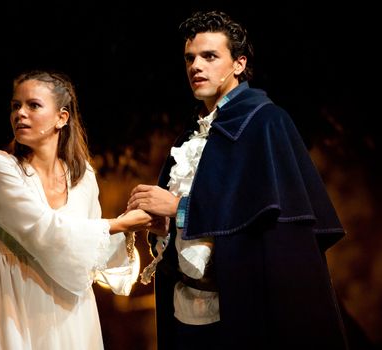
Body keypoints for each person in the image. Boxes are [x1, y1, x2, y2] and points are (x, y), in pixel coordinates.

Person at [127, 10, 349, 350]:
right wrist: (164, 226)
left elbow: (276, 231)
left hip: (243, 314)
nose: (195, 66)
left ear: (238, 64)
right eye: (190, 58)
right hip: (185, 310)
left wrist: (179, 208)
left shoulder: (266, 123)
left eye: (210, 56)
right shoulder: (190, 135)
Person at [0, 70, 162, 350]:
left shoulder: (83, 176)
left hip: (73, 315)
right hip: (15, 310)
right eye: (15, 106)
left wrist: (137, 218)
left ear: (62, 117)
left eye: (33, 105)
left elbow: (90, 252)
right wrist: (120, 224)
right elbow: (44, 232)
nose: (20, 113)